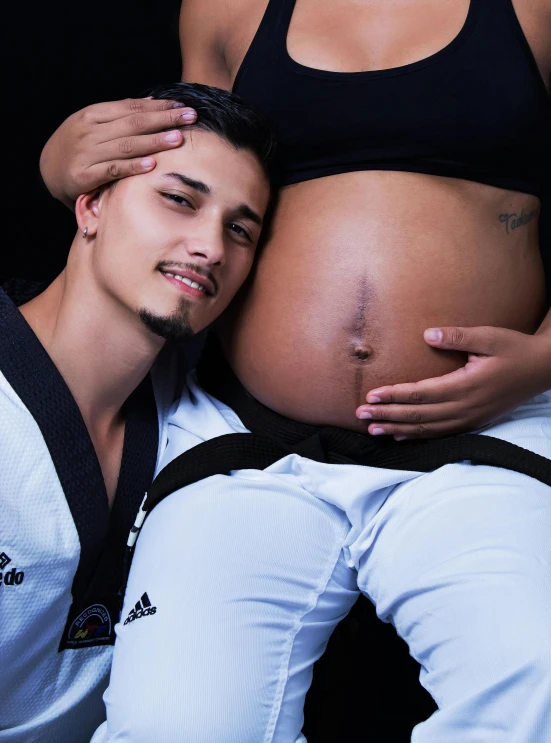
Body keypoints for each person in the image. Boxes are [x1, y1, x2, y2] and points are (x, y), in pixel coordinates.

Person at [40, 0, 551, 740]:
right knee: (175, 725)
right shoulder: (225, 9)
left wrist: (543, 359)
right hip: (248, 438)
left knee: (539, 689)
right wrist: (61, 164)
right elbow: (190, 171)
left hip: (484, 436)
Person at [0, 81, 273, 743]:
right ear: (89, 204)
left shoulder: (212, 439)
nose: (211, 247)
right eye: (179, 200)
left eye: (240, 229)